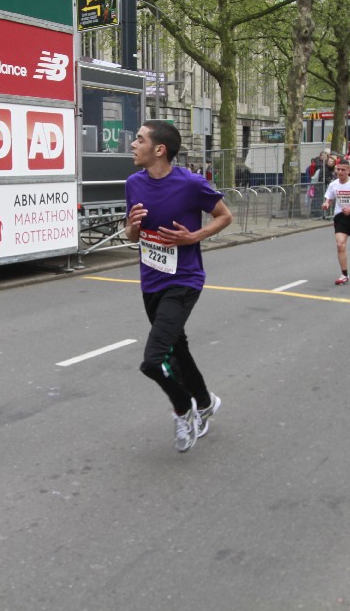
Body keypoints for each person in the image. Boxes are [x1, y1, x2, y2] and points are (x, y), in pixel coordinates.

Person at [125, 121, 232, 453]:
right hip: (151, 280)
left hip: (184, 280)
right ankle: (206, 402)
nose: (133, 144)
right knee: (177, 350)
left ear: (159, 149)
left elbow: (224, 216)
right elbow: (132, 235)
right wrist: (132, 227)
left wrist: (192, 237)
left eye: (139, 139)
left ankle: (184, 409)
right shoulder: (133, 183)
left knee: (153, 360)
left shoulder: (190, 183)